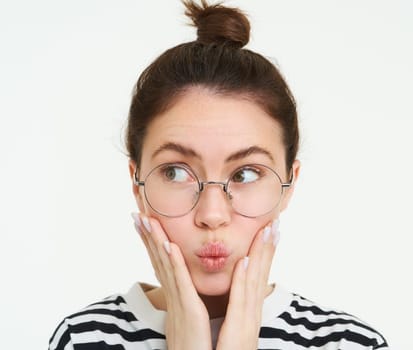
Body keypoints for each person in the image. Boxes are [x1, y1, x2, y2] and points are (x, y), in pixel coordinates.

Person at [48, 1, 388, 349]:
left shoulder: (348, 343)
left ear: (289, 183)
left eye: (245, 174)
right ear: (137, 182)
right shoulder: (83, 339)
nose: (212, 215)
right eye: (176, 172)